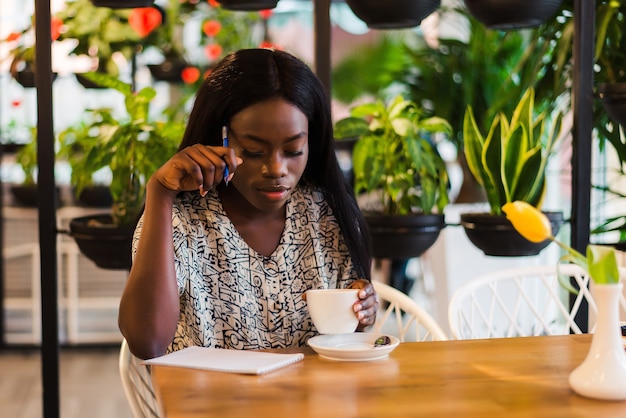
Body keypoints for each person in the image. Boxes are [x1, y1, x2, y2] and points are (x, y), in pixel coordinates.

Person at [118, 48, 377, 359]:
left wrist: (362, 310)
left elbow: (343, 338)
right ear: (221, 139)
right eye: (254, 151)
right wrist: (159, 193)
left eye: (294, 150)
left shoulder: (322, 214)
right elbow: (147, 344)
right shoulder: (181, 220)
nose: (277, 169)